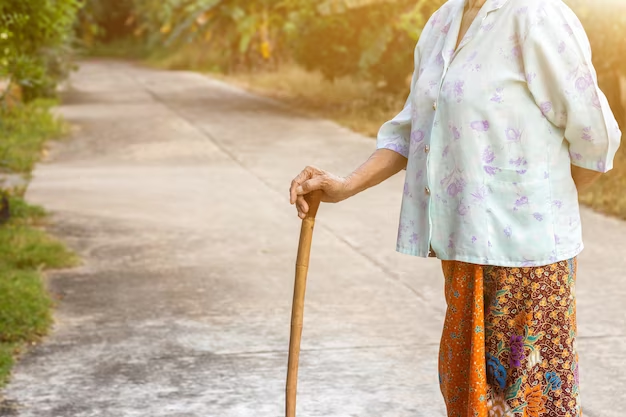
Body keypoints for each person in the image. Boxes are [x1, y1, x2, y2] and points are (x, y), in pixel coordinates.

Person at [288, 0, 621, 415]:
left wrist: (543, 204)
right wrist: (344, 185)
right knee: (468, 396)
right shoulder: (442, 21)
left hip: (530, 260)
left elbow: (595, 135)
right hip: (463, 249)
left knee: (529, 403)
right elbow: (414, 128)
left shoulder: (535, 15)